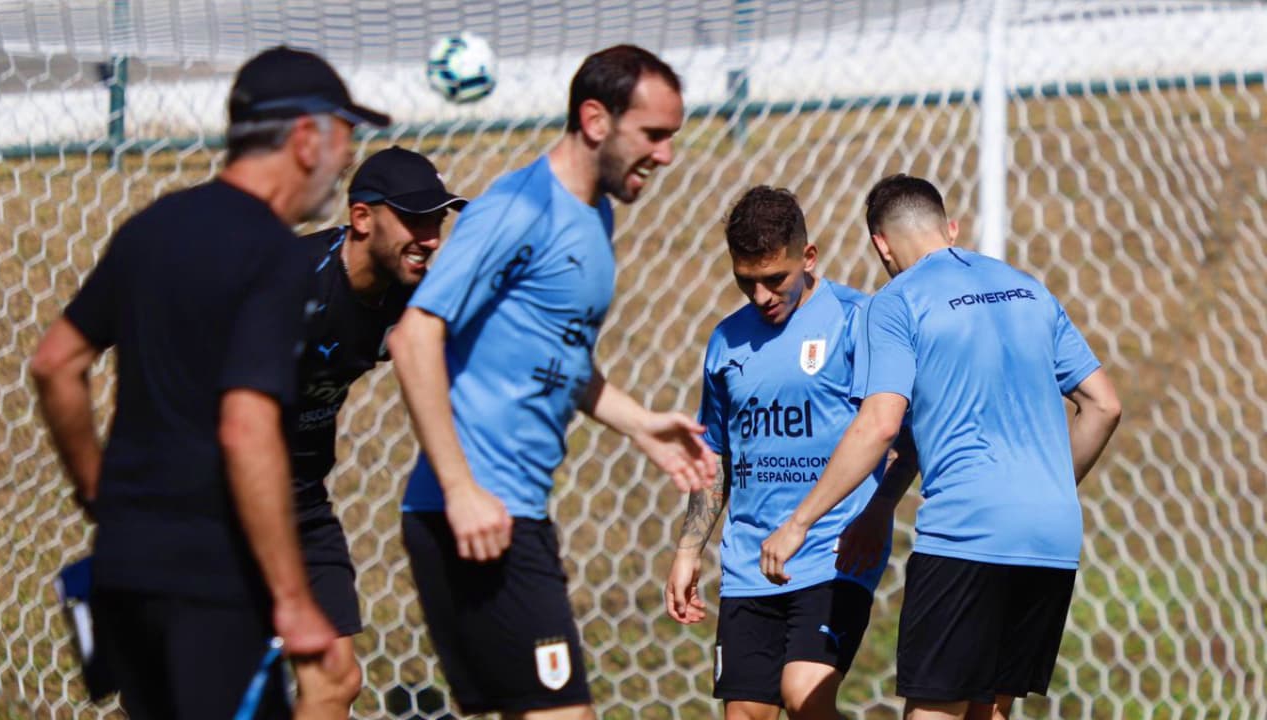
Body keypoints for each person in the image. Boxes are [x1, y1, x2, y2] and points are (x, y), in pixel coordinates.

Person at [28, 46, 389, 719]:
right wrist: (290, 599)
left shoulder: (153, 227)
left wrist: (96, 489)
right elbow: (246, 427)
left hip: (125, 567)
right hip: (213, 576)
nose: (346, 161)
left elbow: (56, 363)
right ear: (305, 138)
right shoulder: (277, 258)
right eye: (344, 138)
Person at [387, 44, 717, 719]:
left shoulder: (595, 216)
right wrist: (461, 489)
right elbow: (415, 335)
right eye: (653, 135)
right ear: (595, 119)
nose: (666, 156)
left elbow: (556, 354)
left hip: (512, 515)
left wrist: (639, 423)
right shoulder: (518, 208)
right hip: (476, 516)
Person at [759, 174, 1122, 720]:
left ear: (881, 244)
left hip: (968, 534)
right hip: (1052, 535)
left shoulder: (897, 301)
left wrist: (799, 522)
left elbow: (880, 424)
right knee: (990, 712)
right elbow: (1103, 405)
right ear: (949, 229)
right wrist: (1043, 487)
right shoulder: (1029, 287)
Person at [665, 186, 917, 720]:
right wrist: (688, 551)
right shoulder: (725, 342)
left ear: (808, 257)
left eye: (774, 279)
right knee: (746, 715)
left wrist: (878, 511)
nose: (760, 296)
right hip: (748, 563)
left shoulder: (860, 320)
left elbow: (905, 437)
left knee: (805, 693)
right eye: (745, 281)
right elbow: (715, 454)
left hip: (834, 553)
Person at [290, 146, 466, 717]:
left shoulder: (409, 297)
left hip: (300, 502)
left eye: (436, 220)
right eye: (414, 220)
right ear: (362, 218)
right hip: (216, 501)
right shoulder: (292, 287)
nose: (431, 237)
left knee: (336, 680)